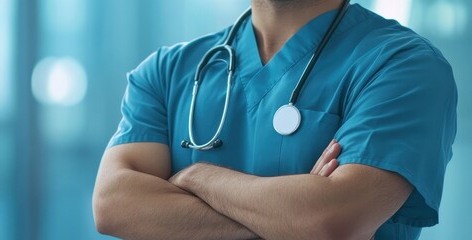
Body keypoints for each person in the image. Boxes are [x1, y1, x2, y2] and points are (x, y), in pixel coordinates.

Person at [93, 0, 458, 239]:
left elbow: (331, 222)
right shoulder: (167, 71)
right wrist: (288, 220)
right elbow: (112, 204)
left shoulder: (405, 66)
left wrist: (195, 176)